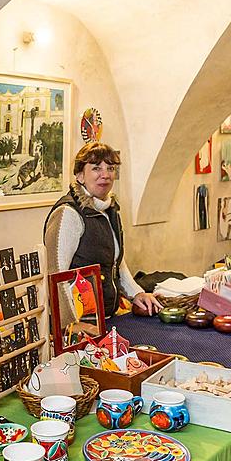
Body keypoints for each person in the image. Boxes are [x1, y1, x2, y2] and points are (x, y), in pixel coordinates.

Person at [44, 143, 161, 334]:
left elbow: (116, 261)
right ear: (80, 175)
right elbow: (55, 276)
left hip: (107, 318)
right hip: (80, 326)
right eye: (96, 168)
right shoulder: (68, 213)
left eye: (110, 168)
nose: (105, 174)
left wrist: (137, 293)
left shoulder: (109, 209)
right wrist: (71, 324)